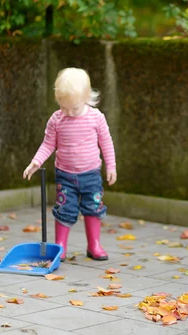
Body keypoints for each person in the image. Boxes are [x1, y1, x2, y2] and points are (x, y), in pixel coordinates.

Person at [23, 68, 117, 261]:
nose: (68, 113)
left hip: (91, 174)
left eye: (73, 108)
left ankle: (94, 245)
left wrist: (112, 166)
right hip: (65, 175)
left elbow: (106, 142)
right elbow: (48, 144)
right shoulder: (57, 119)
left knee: (94, 207)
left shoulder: (96, 117)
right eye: (63, 107)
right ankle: (60, 246)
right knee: (64, 209)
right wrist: (36, 161)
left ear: (87, 98)